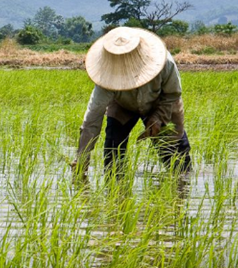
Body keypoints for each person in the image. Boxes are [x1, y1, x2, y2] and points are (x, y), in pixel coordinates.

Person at [71, 27, 191, 180]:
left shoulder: (164, 63)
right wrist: (82, 158)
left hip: (161, 103)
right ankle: (116, 195)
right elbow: (92, 120)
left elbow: (172, 94)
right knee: (113, 157)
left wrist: (158, 117)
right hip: (122, 106)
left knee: (177, 159)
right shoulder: (105, 78)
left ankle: (180, 189)